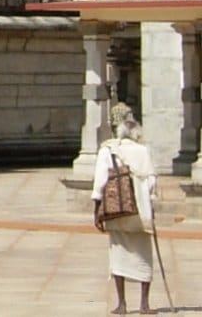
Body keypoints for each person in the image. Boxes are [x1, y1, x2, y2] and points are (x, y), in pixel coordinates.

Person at [93, 115, 159, 315]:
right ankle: (144, 304)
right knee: (144, 255)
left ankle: (122, 304)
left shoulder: (108, 150)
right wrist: (150, 205)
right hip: (140, 211)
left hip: (116, 209)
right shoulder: (143, 151)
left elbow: (100, 182)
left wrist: (96, 211)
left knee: (118, 255)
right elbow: (151, 182)